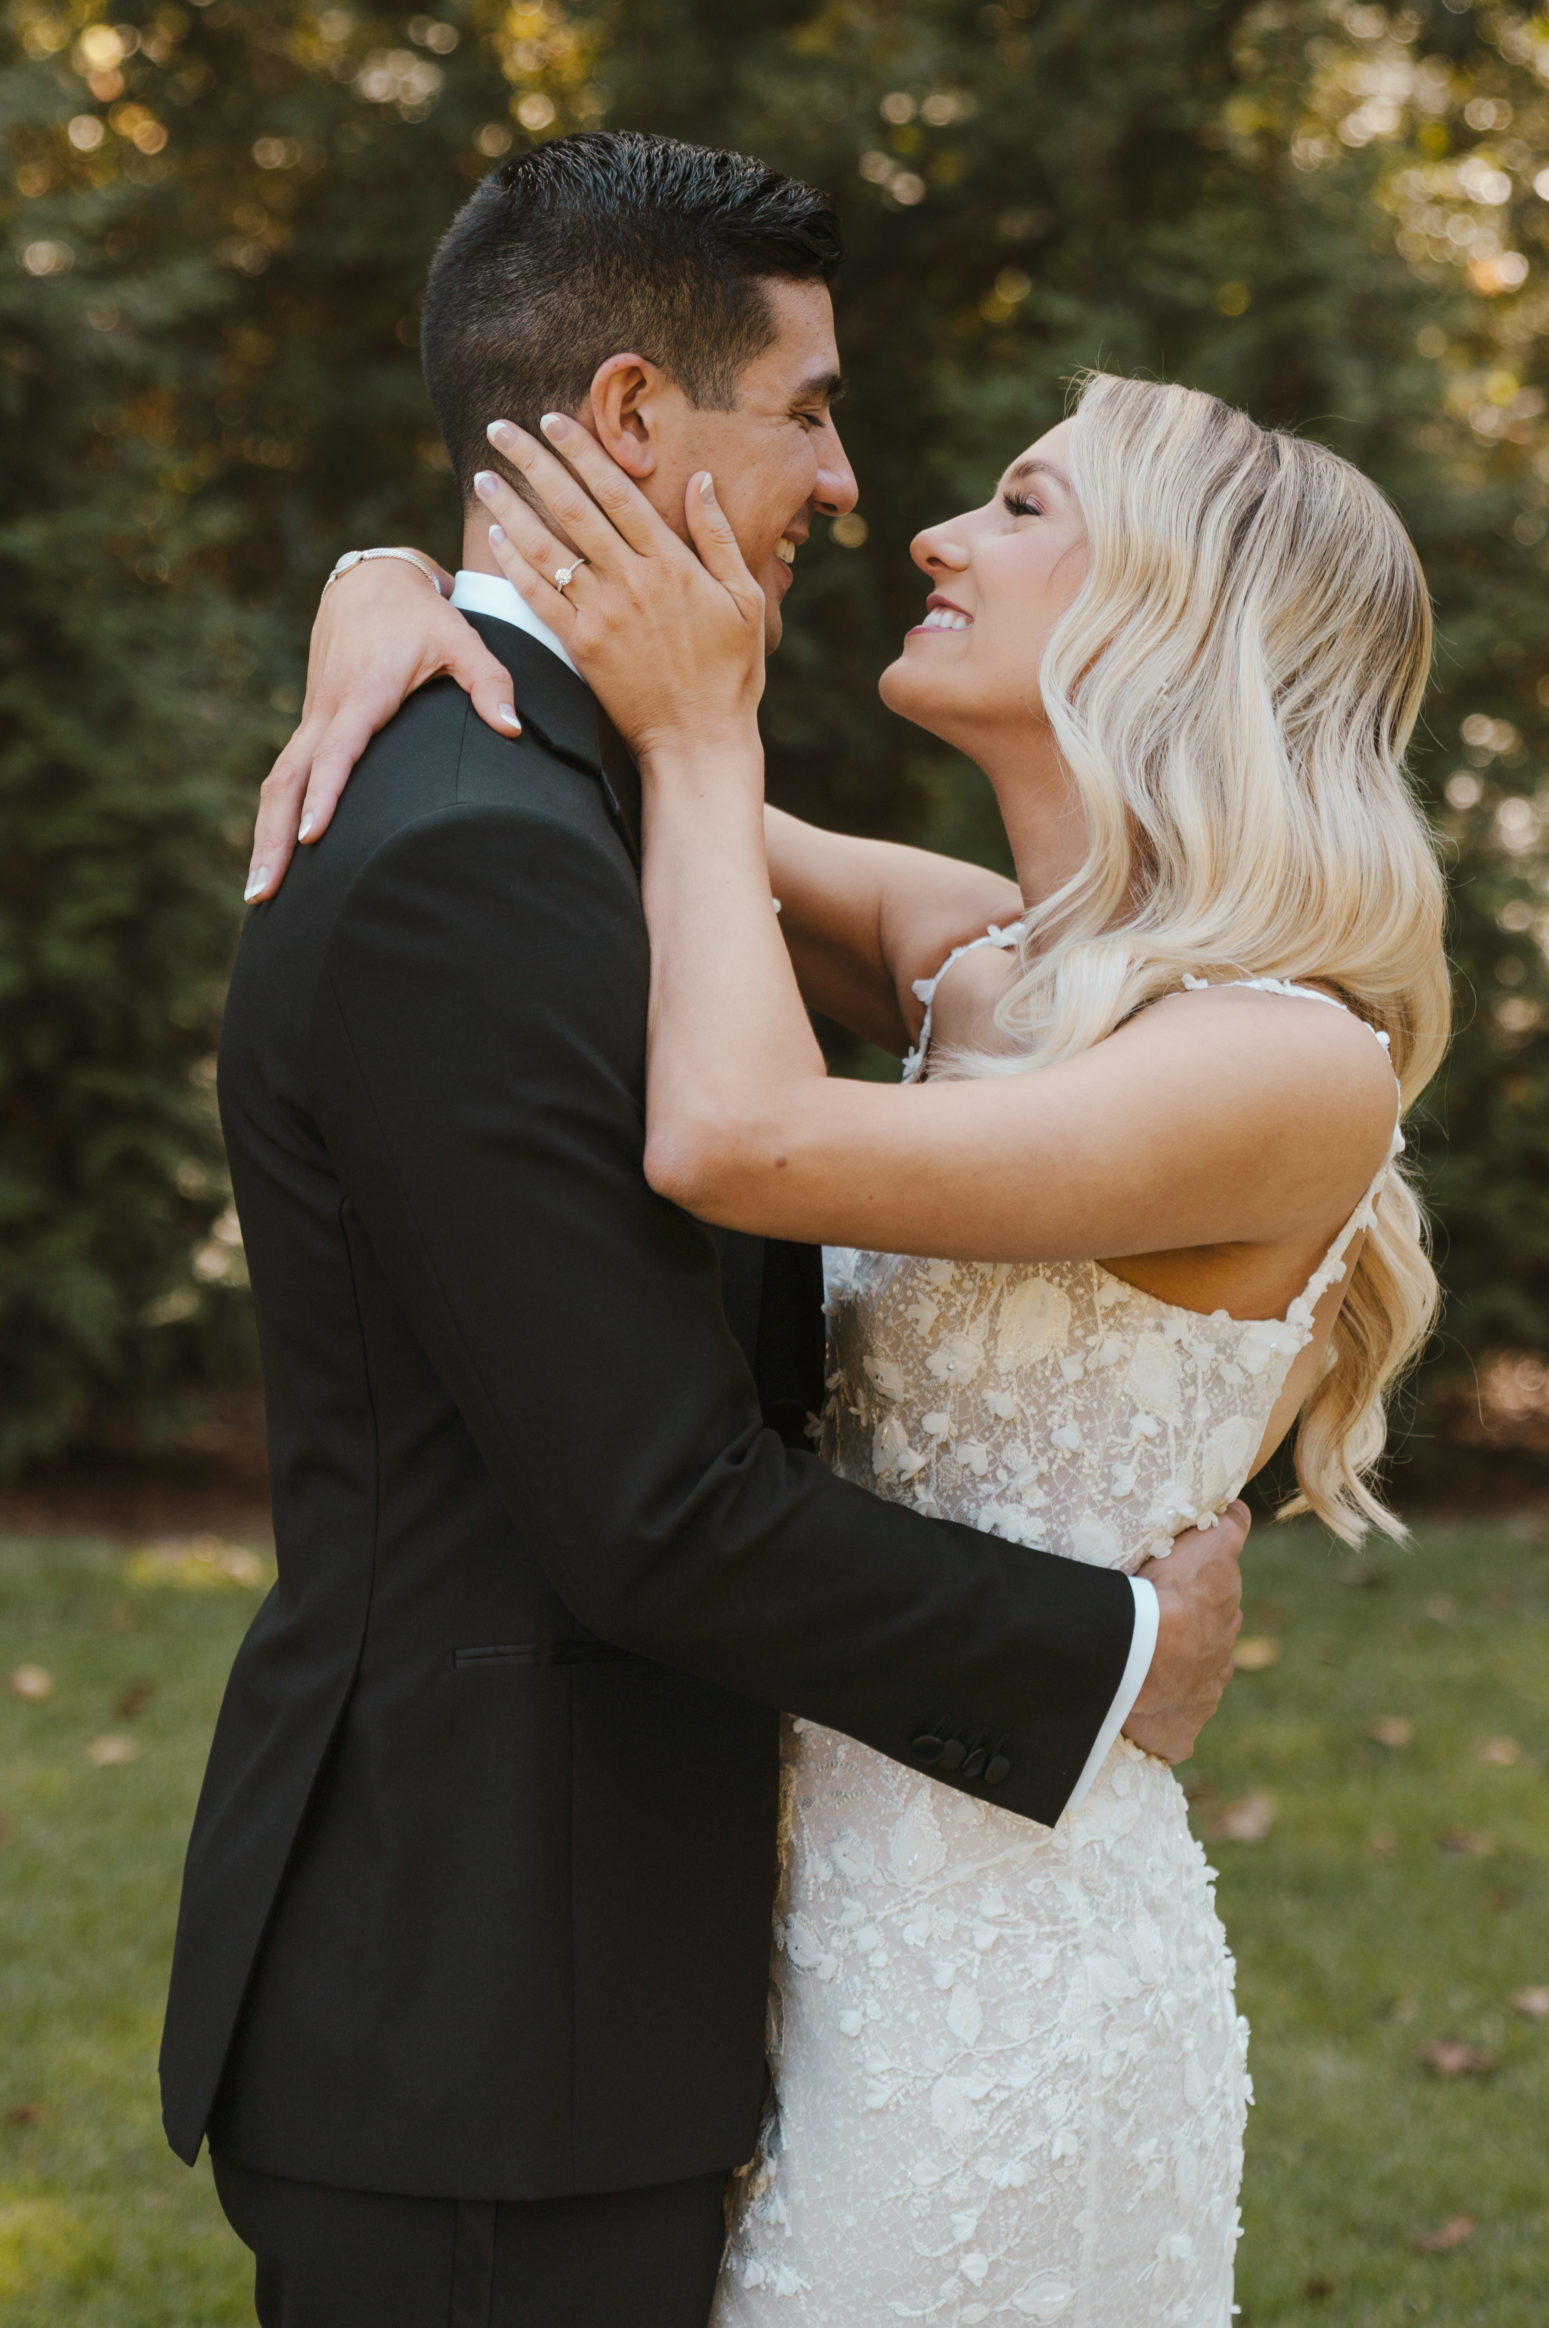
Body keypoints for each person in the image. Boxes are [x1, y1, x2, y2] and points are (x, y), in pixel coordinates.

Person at [246, 274, 1450, 2321]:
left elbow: (728, 1133)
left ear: (1172, 611)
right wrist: (394, 583)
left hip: (1002, 1965)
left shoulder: (1280, 1061)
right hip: (790, 1904)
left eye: (1017, 505)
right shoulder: (981, 954)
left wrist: (708, 728)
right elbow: (574, 777)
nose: (926, 530)